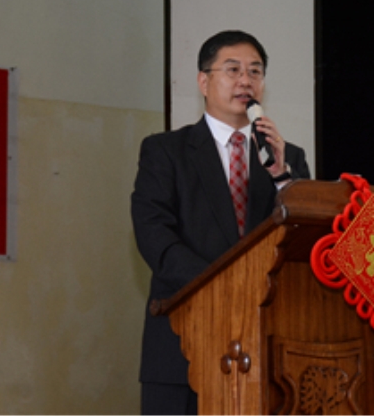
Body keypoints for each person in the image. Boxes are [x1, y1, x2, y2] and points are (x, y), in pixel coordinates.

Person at [131, 30, 310, 415]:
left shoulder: (287, 157)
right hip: (181, 344)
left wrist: (282, 178)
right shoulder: (165, 151)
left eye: (255, 72)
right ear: (204, 81)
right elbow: (155, 237)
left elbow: (303, 240)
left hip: (264, 348)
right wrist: (223, 287)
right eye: (233, 70)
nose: (246, 80)